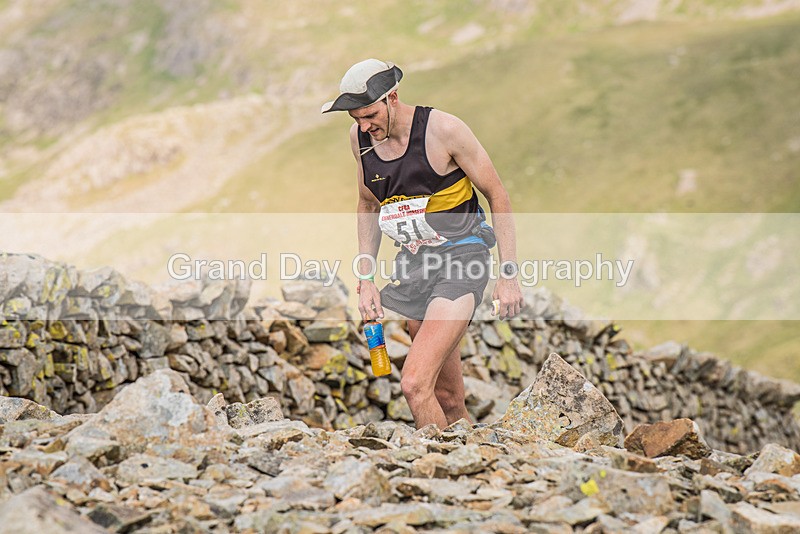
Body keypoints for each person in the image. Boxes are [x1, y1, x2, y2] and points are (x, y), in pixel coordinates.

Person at [321, 59, 523, 430]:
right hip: (414, 266)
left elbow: (498, 194)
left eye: (369, 115)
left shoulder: (444, 130)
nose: (364, 127)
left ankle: (443, 474)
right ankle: (474, 467)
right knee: (446, 397)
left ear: (392, 98)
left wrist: (508, 275)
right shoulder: (361, 141)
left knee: (415, 383)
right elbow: (368, 204)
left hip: (463, 261)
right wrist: (366, 280)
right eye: (355, 120)